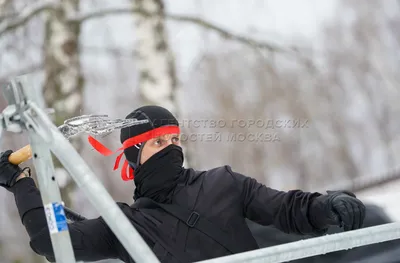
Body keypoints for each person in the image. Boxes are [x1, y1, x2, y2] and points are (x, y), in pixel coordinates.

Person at [0, 105, 366, 263]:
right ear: (134, 156)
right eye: (160, 142)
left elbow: (288, 208)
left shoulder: (224, 184)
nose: (172, 148)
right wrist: (23, 184)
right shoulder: (125, 226)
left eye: (175, 140)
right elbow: (53, 241)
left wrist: (329, 204)